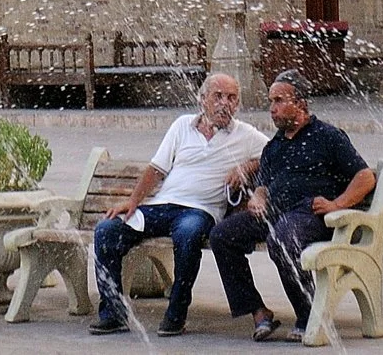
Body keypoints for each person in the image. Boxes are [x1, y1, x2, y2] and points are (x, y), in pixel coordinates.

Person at [91, 72, 266, 337]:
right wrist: (133, 202)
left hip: (201, 210)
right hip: (163, 205)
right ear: (203, 99)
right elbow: (156, 169)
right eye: (218, 96)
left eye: (231, 98)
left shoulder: (245, 135)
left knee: (188, 233)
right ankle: (113, 313)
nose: (224, 103)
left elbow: (275, 152)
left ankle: (176, 314)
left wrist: (247, 164)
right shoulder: (182, 125)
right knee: (106, 230)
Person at [208, 72, 374, 342]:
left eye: (279, 100)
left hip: (309, 213)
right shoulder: (275, 145)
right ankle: (258, 311)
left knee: (282, 239)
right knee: (222, 236)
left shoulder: (327, 136)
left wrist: (338, 203)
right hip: (275, 211)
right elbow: (262, 184)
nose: (272, 108)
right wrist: (258, 197)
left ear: (301, 104)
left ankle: (307, 313)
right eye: (270, 101)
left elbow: (365, 176)